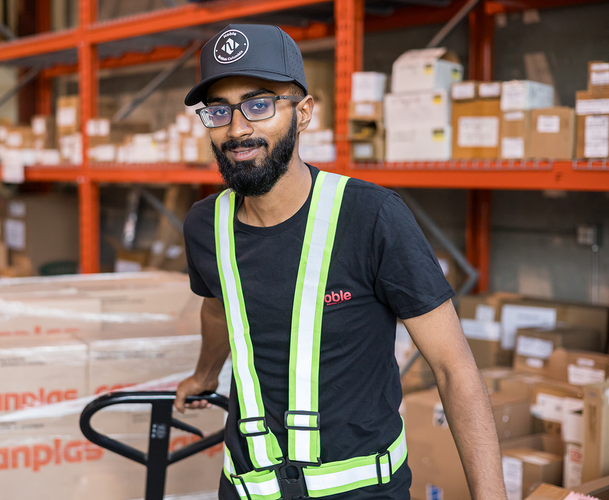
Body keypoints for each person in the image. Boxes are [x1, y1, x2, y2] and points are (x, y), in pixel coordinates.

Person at [174, 24, 506, 500]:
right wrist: (206, 373)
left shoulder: (372, 217)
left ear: (304, 113)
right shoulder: (206, 225)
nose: (238, 128)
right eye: (219, 111)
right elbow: (221, 305)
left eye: (259, 104)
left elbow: (455, 369)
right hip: (248, 489)